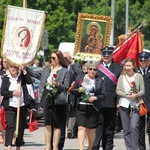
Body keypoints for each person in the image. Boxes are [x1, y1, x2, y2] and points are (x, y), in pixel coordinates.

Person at [71, 60, 105, 150]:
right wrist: (79, 90)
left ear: (97, 70)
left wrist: (95, 98)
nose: (92, 71)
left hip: (93, 107)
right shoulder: (80, 78)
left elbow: (104, 95)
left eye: (94, 69)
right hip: (81, 106)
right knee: (81, 128)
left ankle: (90, 148)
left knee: (91, 129)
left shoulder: (99, 80)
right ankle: (81, 148)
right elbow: (72, 90)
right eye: (90, 69)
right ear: (87, 69)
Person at [92, 46, 122, 150]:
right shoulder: (96, 67)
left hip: (111, 101)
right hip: (98, 102)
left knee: (109, 127)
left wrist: (118, 101)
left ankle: (108, 147)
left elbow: (120, 87)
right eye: (104, 55)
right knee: (97, 126)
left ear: (112, 55)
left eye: (108, 55)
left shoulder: (118, 68)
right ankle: (95, 146)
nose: (106, 56)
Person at [39, 51, 69, 150]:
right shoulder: (47, 70)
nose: (51, 60)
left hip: (58, 98)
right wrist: (25, 69)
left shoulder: (64, 71)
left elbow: (66, 86)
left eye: (54, 58)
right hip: (47, 97)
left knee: (57, 123)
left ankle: (55, 147)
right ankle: (48, 145)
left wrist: (57, 84)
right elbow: (36, 74)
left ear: (59, 59)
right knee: (47, 122)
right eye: (50, 58)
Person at [1, 63, 33, 150]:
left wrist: (24, 70)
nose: (13, 69)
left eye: (14, 67)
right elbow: (3, 91)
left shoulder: (21, 77)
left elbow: (30, 81)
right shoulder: (6, 78)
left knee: (20, 126)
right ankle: (9, 145)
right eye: (11, 67)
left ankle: (18, 146)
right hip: (10, 106)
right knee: (10, 125)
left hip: (21, 105)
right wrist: (13, 93)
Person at [116, 58, 145, 150]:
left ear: (133, 66)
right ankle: (129, 148)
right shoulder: (122, 77)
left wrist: (135, 95)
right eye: (126, 65)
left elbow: (142, 90)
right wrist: (126, 94)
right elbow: (118, 90)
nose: (127, 67)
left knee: (134, 127)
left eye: (129, 65)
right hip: (124, 104)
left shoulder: (138, 76)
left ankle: (135, 147)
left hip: (135, 104)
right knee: (126, 129)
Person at [63, 51, 83, 139]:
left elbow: (79, 74)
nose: (64, 60)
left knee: (72, 111)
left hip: (72, 91)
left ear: (70, 58)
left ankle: (70, 129)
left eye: (65, 58)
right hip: (62, 91)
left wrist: (73, 64)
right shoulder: (61, 66)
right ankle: (67, 128)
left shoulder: (75, 65)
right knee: (65, 111)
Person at [138, 52, 150, 150]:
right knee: (140, 128)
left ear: (148, 61)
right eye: (141, 60)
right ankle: (141, 148)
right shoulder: (135, 72)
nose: (143, 62)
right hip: (139, 103)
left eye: (145, 60)